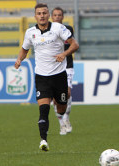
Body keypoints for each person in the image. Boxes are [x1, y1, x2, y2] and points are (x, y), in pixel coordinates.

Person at [14, 3, 79, 151]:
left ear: (48, 15)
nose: (42, 16)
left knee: (61, 108)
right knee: (43, 109)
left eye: (44, 13)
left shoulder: (58, 28)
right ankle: (43, 140)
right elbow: (24, 49)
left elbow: (75, 45)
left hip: (59, 76)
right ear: (35, 16)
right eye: (39, 13)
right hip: (41, 77)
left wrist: (64, 54)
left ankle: (62, 113)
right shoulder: (30, 32)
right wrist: (19, 60)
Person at [51, 7, 75, 135]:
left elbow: (73, 45)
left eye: (59, 15)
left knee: (68, 93)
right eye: (55, 15)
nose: (57, 17)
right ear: (52, 17)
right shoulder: (47, 31)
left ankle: (66, 118)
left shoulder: (68, 29)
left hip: (67, 66)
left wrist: (65, 53)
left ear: (63, 17)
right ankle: (61, 124)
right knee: (55, 99)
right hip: (54, 67)